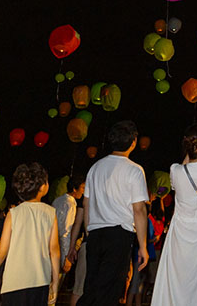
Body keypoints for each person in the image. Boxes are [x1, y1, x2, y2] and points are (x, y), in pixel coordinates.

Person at [151, 123, 197, 306]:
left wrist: (190, 151)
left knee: (178, 283)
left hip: (180, 237)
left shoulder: (176, 170)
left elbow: (180, 174)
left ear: (187, 147)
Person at [80, 120, 149, 306]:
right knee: (110, 292)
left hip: (95, 234)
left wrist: (89, 232)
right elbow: (139, 210)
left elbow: (86, 204)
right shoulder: (134, 170)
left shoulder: (95, 168)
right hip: (119, 235)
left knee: (92, 288)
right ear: (133, 142)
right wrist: (142, 246)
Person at [0, 162, 59, 305]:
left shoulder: (13, 213)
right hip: (40, 281)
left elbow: (2, 251)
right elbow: (54, 250)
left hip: (14, 282)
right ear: (43, 187)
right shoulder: (50, 213)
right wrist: (55, 282)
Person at [52, 173, 85, 290]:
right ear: (74, 189)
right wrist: (67, 257)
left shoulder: (57, 200)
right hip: (60, 249)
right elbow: (66, 231)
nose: (84, 191)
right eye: (82, 188)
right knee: (55, 286)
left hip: (51, 246)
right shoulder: (70, 205)